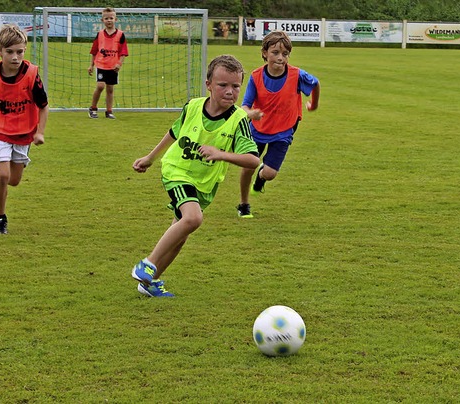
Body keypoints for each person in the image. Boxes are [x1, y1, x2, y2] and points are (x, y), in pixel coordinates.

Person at [130, 55, 260, 297]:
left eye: (235, 86)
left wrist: (221, 154)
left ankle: (150, 282)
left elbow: (253, 159)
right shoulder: (193, 106)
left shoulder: (239, 119)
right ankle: (146, 264)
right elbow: (174, 132)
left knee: (181, 232)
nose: (230, 92)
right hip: (177, 170)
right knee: (192, 219)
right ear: (208, 84)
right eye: (223, 85)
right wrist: (150, 158)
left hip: (204, 183)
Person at [236, 30, 320, 218]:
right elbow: (244, 106)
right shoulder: (256, 76)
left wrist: (313, 105)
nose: (280, 58)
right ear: (265, 53)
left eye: (285, 54)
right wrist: (251, 113)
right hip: (257, 130)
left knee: (270, 173)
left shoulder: (297, 75)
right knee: (248, 166)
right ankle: (243, 204)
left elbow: (315, 84)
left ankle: (261, 177)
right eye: (275, 52)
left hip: (283, 130)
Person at [0, 24, 48, 235]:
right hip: (0, 131)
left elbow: (43, 106)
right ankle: (0, 218)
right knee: (4, 175)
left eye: (20, 51)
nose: (15, 57)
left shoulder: (32, 76)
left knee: (13, 180)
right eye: (9, 52)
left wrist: (40, 132)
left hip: (24, 133)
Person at [87, 7, 128, 119]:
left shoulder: (120, 35)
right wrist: (91, 65)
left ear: (115, 19)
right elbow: (94, 51)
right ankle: (93, 108)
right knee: (100, 86)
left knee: (110, 89)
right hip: (101, 65)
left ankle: (109, 111)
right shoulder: (99, 34)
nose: (109, 20)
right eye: (106, 18)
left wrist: (119, 64)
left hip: (113, 67)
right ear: (102, 20)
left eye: (111, 18)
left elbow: (123, 52)